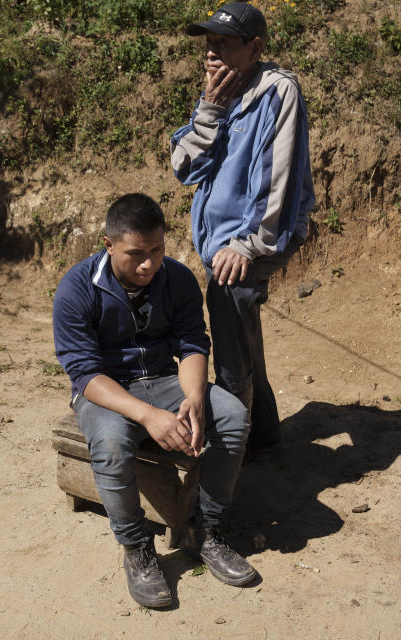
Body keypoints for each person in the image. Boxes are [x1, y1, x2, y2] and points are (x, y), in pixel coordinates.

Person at [53, 193, 256, 608]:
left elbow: (192, 343)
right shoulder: (76, 289)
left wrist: (195, 398)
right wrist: (150, 417)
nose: (148, 264)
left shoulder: (177, 278)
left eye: (157, 250)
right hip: (108, 389)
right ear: (108, 245)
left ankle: (206, 531)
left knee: (233, 416)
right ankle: (137, 548)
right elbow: (86, 374)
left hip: (166, 377)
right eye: (136, 254)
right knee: (110, 445)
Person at [171, 2, 316, 448]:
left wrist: (248, 244)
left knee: (230, 306)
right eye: (208, 42)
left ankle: (234, 443)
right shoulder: (218, 93)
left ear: (254, 48)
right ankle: (263, 432)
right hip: (222, 241)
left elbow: (278, 177)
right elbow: (183, 167)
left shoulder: (278, 91)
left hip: (259, 234)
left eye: (223, 43)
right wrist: (210, 110)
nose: (211, 53)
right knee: (240, 328)